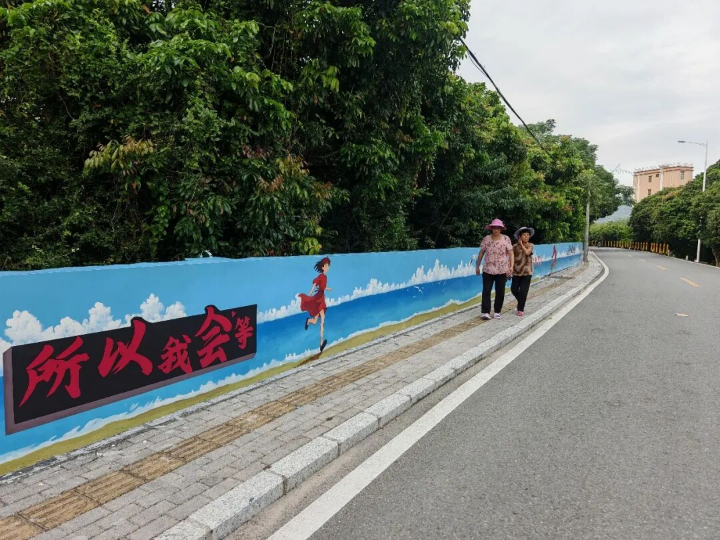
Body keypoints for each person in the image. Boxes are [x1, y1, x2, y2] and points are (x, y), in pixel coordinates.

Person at [476, 219, 514, 320]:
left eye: (498, 228)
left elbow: (511, 253)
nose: (496, 230)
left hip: (502, 270)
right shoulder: (486, 239)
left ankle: (497, 311)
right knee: (486, 290)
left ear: (501, 229)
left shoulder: (506, 239)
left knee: (500, 291)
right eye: (494, 228)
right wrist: (477, 266)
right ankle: (485, 312)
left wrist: (511, 266)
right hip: (488, 269)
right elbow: (481, 252)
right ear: (491, 228)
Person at [298, 257, 332, 353]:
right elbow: (316, 283)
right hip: (318, 299)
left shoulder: (325, 277)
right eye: (326, 265)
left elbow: (323, 286)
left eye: (328, 265)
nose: (327, 267)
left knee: (317, 320)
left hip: (321, 299)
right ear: (322, 267)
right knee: (321, 319)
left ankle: (309, 321)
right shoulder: (321, 276)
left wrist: (328, 289)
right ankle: (321, 342)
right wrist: (311, 291)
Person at [511, 227, 535, 317]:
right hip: (516, 271)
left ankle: (520, 309)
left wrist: (521, 245)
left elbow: (527, 253)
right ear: (520, 236)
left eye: (528, 235)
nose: (526, 237)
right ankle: (521, 301)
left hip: (527, 272)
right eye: (524, 235)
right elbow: (511, 257)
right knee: (513, 289)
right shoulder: (514, 246)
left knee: (523, 292)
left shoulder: (530, 245)